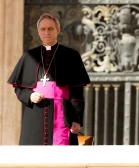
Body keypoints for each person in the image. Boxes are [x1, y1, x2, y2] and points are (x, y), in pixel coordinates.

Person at [7, 13, 90, 145]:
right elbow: (19, 89)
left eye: (50, 29)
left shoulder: (71, 56)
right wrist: (30, 95)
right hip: (36, 114)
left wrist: (77, 119)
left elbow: (77, 92)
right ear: (38, 31)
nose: (46, 32)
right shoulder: (29, 56)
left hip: (62, 115)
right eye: (43, 29)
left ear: (58, 29)